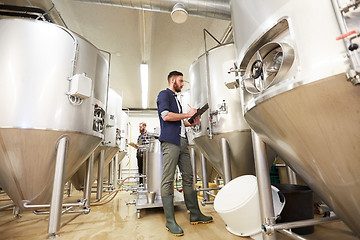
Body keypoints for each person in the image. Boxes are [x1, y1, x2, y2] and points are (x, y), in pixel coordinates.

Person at [156, 71, 213, 236]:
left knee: (188, 177)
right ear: (172, 80)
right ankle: (170, 221)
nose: (182, 84)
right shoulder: (164, 94)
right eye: (180, 81)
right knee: (168, 179)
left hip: (182, 142)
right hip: (170, 142)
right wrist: (187, 114)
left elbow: (180, 121)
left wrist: (191, 121)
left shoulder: (176, 99)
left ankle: (195, 213)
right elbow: (166, 116)